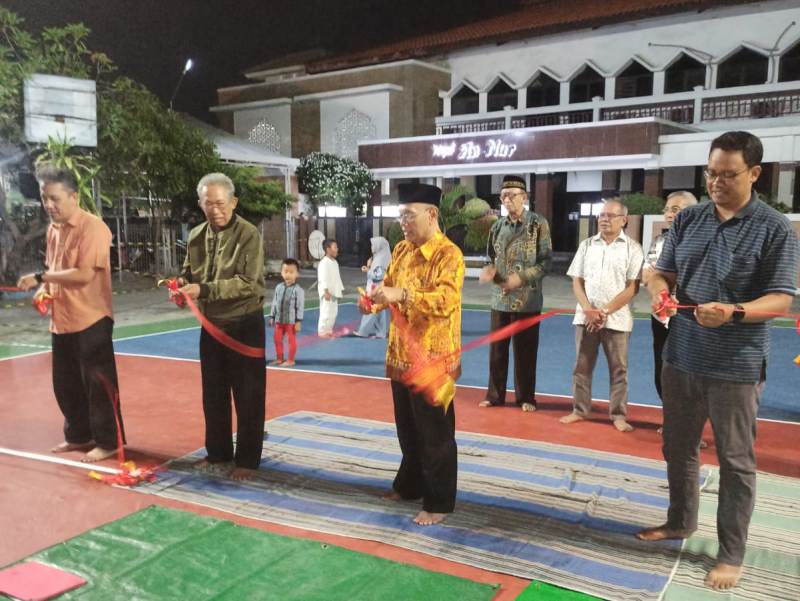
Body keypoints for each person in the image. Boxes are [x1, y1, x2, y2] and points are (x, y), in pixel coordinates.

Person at [636, 131, 798, 591]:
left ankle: (731, 554)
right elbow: (662, 272)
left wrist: (735, 312)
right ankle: (680, 521)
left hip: (736, 365)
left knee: (735, 460)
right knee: (677, 446)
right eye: (711, 173)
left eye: (728, 175)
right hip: (682, 354)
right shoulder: (688, 220)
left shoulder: (773, 228)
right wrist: (661, 292)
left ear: (754, 174)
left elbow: (781, 300)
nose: (717, 182)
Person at [363, 182, 464, 526]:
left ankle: (439, 501)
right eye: (400, 215)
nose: (402, 222)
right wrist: (375, 299)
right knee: (407, 429)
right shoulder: (403, 250)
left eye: (408, 214)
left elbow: (445, 302)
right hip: (401, 356)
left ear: (431, 214)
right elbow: (387, 286)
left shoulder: (449, 255)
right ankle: (409, 485)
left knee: (435, 435)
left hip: (432, 362)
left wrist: (401, 294)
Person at [16, 163, 124, 463]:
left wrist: (41, 278)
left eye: (55, 198)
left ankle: (108, 441)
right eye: (44, 198)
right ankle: (79, 435)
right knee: (65, 384)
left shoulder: (94, 228)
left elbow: (83, 274)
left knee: (99, 384)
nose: (49, 205)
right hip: (61, 321)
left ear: (73, 197)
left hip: (91, 318)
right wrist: (45, 290)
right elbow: (55, 270)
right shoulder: (53, 230)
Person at [177, 173, 267, 481]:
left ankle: (248, 459)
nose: (215, 210)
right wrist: (181, 287)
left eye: (220, 203)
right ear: (200, 204)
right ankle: (217, 452)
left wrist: (203, 291)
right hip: (211, 325)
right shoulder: (196, 235)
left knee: (248, 394)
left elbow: (249, 283)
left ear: (234, 202)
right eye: (208, 203)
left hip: (244, 323)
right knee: (212, 393)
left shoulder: (248, 234)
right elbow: (189, 274)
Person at [560, 198, 643, 433]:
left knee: (619, 370)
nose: (604, 219)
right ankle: (579, 410)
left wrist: (604, 311)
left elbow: (632, 287)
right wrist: (588, 309)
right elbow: (577, 281)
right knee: (581, 367)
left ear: (623, 220)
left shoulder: (632, 248)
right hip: (585, 317)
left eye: (610, 215)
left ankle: (618, 414)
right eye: (602, 215)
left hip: (617, 319)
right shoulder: (587, 245)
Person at [478, 175, 551, 413]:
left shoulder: (537, 224)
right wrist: (491, 272)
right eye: (503, 196)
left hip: (528, 301)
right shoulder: (498, 226)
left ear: (524, 197)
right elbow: (492, 256)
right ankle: (495, 395)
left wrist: (521, 277)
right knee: (497, 351)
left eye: (512, 195)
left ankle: (526, 397)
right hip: (500, 299)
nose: (507, 200)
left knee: (525, 352)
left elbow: (545, 262)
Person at [641, 191, 700, 439]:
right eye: (667, 208)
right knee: (663, 368)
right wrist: (662, 293)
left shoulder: (702, 241)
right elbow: (649, 275)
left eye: (676, 209)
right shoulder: (659, 242)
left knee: (691, 374)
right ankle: (670, 419)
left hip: (695, 319)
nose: (669, 214)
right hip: (663, 318)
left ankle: (691, 428)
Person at [269, 258, 304, 367]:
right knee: (277, 339)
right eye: (285, 272)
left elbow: (300, 307)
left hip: (291, 321)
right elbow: (274, 302)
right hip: (279, 320)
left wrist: (298, 321)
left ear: (297, 274)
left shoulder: (298, 290)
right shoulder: (278, 287)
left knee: (291, 340)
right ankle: (279, 358)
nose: (288, 275)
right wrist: (272, 316)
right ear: (281, 272)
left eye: (291, 272)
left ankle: (290, 360)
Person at [354, 236, 391, 338]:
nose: (371, 247)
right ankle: (381, 332)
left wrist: (368, 271)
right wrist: (369, 267)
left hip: (376, 289)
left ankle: (363, 331)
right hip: (379, 289)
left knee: (370, 308)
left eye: (373, 245)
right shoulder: (380, 257)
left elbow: (378, 276)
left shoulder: (380, 260)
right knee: (380, 312)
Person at [317, 239, 343, 337]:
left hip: (334, 291)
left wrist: (339, 291)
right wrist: (325, 291)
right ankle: (322, 331)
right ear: (328, 249)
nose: (337, 249)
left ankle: (328, 330)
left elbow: (337, 278)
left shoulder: (335, 262)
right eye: (335, 247)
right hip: (327, 292)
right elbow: (322, 278)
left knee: (333, 312)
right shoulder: (324, 263)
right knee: (326, 312)